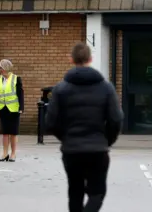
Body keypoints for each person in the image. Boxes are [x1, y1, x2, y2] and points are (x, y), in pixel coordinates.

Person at [45, 42, 123, 212]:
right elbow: (116, 119)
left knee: (75, 192)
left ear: (71, 59)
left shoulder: (60, 89)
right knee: (97, 193)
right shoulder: (106, 88)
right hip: (97, 149)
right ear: (91, 58)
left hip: (71, 150)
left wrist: (65, 137)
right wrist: (106, 140)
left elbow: (50, 122)